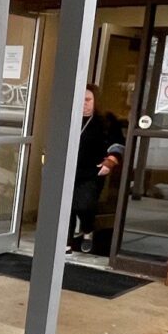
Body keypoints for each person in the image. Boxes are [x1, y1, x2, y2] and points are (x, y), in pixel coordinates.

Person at [68, 84, 125, 254]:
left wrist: (110, 162)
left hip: (93, 172)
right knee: (67, 208)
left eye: (87, 100)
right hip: (69, 170)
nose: (84, 103)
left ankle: (88, 229)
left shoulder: (106, 121)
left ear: (96, 101)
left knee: (84, 205)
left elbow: (118, 144)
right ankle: (65, 243)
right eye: (81, 100)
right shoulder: (70, 117)